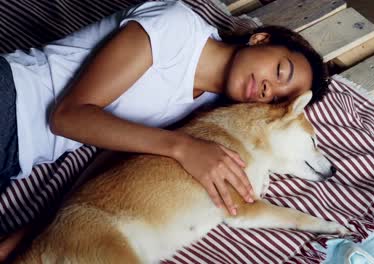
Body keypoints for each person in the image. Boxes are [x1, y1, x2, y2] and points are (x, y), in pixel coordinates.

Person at [0, 0, 329, 260]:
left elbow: (114, 163)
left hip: (15, 159)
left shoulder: (208, 116)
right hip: (10, 97)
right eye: (279, 70)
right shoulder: (175, 26)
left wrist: (39, 233)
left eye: (279, 99)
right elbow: (68, 117)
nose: (267, 89)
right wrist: (182, 147)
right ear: (260, 39)